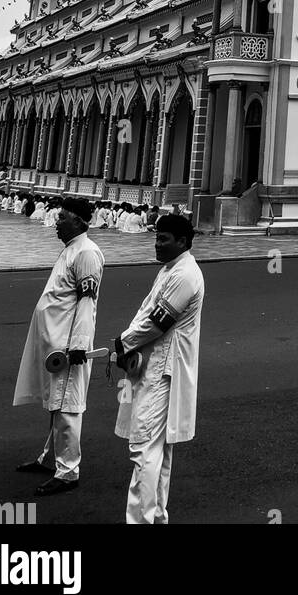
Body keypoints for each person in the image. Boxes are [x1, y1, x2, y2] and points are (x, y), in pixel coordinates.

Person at [110, 214, 205, 524]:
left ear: (182, 241)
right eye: (156, 238)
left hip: (162, 370)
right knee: (157, 451)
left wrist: (121, 344)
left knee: (144, 449)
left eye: (164, 239)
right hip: (154, 364)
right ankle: (156, 517)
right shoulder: (171, 270)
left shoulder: (185, 275)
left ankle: (142, 520)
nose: (157, 244)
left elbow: (156, 324)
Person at [12, 197, 105, 496]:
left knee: (67, 406)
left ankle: (68, 471)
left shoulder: (88, 253)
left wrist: (78, 344)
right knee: (57, 403)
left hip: (67, 346)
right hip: (54, 341)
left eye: (63, 216)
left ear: (78, 221)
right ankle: (50, 458)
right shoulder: (71, 250)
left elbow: (86, 303)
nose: (57, 221)